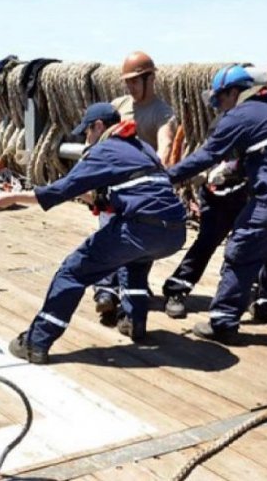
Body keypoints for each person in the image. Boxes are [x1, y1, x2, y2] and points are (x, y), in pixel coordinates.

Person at [0, 103, 186, 363]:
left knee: (72, 272)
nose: (86, 139)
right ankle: (133, 321)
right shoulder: (144, 148)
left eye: (87, 132)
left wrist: (12, 197)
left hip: (140, 227)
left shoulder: (104, 149)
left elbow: (63, 189)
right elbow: (140, 189)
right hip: (174, 231)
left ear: (98, 127)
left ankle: (36, 342)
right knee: (136, 261)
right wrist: (102, 201)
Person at [166, 65, 267, 343]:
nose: (220, 108)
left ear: (232, 93)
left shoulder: (239, 115)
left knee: (243, 250)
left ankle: (223, 322)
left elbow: (206, 155)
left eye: (219, 100)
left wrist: (166, 178)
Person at [94, 51, 178, 326]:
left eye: (134, 81)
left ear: (150, 78)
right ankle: (107, 292)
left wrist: (160, 171)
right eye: (127, 82)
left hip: (142, 193)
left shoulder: (163, 114)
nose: (129, 87)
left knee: (133, 248)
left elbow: (166, 145)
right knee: (108, 236)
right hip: (115, 187)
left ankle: (122, 295)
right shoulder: (118, 106)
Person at [161, 113, 249, 319]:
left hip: (247, 198)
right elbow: (202, 163)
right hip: (216, 198)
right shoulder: (218, 137)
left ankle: (252, 297)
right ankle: (177, 289)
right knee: (206, 243)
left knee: (245, 249)